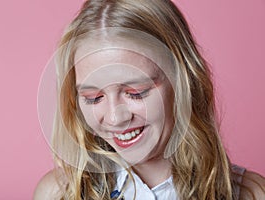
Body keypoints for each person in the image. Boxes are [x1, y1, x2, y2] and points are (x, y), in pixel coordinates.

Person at [34, 0, 265, 199]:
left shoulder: (251, 194)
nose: (115, 118)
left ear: (183, 81)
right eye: (94, 98)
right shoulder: (58, 193)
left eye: (135, 92)